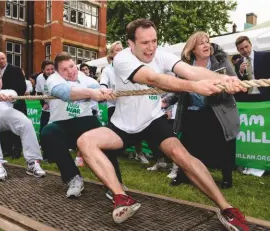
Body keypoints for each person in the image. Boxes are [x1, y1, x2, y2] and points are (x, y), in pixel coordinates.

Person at [76, 19, 249, 230]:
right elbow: (153, 79)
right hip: (123, 125)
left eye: (154, 41)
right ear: (131, 43)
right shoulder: (122, 59)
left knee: (182, 156)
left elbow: (190, 71)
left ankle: (226, 209)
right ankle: (121, 197)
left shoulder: (161, 53)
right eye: (144, 43)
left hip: (152, 120)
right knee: (85, 142)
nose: (151, 48)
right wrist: (195, 87)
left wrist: (222, 80)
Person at [40, 52, 123, 198]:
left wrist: (103, 94)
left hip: (86, 121)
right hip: (61, 124)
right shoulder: (53, 79)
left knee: (103, 134)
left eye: (72, 66)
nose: (70, 71)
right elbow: (64, 92)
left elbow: (98, 92)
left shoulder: (85, 78)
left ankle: (115, 182)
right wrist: (92, 93)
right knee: (48, 133)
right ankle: (73, 178)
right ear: (58, 72)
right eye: (64, 69)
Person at [169, 32, 239, 189]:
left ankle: (227, 178)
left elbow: (234, 82)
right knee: (186, 145)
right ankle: (183, 175)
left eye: (207, 42)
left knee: (224, 145)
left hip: (217, 111)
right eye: (201, 43)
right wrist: (166, 101)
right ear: (193, 49)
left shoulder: (220, 61)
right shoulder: (185, 67)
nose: (207, 45)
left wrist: (226, 88)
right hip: (192, 111)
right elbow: (177, 88)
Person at [0, 69, 46, 181]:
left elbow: (14, 94)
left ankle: (33, 162)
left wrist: (8, 96)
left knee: (26, 122)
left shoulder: (8, 91)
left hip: (7, 113)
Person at [0, 52, 27, 159]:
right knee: (4, 128)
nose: (1, 61)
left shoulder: (16, 70)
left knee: (17, 128)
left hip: (16, 103)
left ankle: (17, 151)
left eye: (3, 58)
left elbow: (22, 87)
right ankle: (6, 150)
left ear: (6, 58)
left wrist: (12, 97)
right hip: (1, 104)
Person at [234, 36, 270, 102]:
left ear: (250, 45)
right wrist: (241, 72)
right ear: (238, 50)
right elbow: (238, 81)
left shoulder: (265, 56)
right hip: (247, 97)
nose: (244, 50)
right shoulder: (238, 63)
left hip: (265, 95)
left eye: (246, 46)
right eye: (241, 49)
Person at [35, 60, 55, 133]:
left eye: (52, 69)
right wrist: (43, 103)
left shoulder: (59, 77)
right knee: (43, 129)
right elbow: (39, 92)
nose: (50, 71)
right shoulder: (40, 78)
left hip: (58, 109)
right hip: (47, 109)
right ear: (43, 70)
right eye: (48, 69)